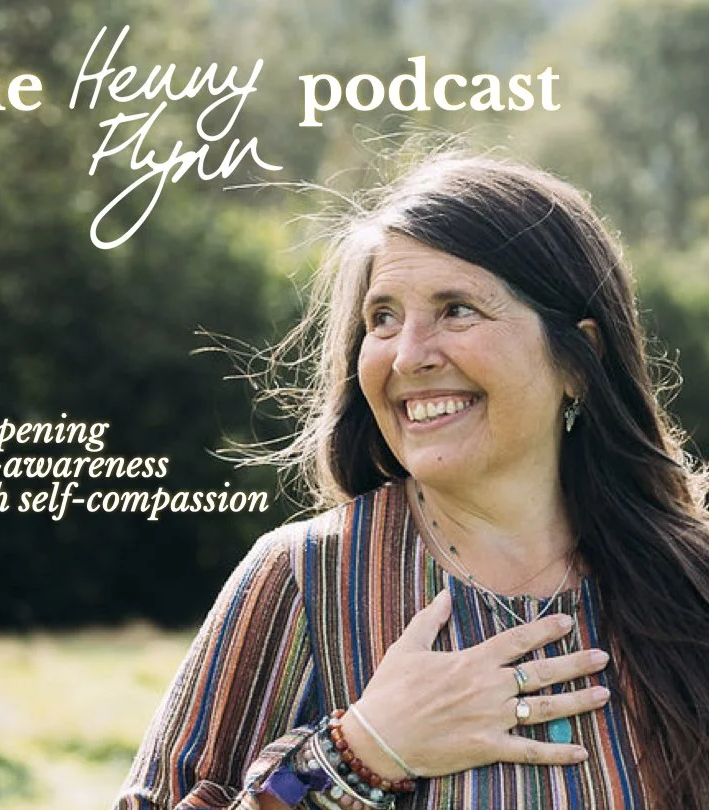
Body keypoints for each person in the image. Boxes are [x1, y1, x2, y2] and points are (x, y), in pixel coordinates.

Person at [113, 152, 709, 810]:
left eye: (456, 310)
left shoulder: (692, 582)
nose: (408, 355)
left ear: (579, 358)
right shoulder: (304, 580)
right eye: (383, 318)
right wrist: (362, 751)